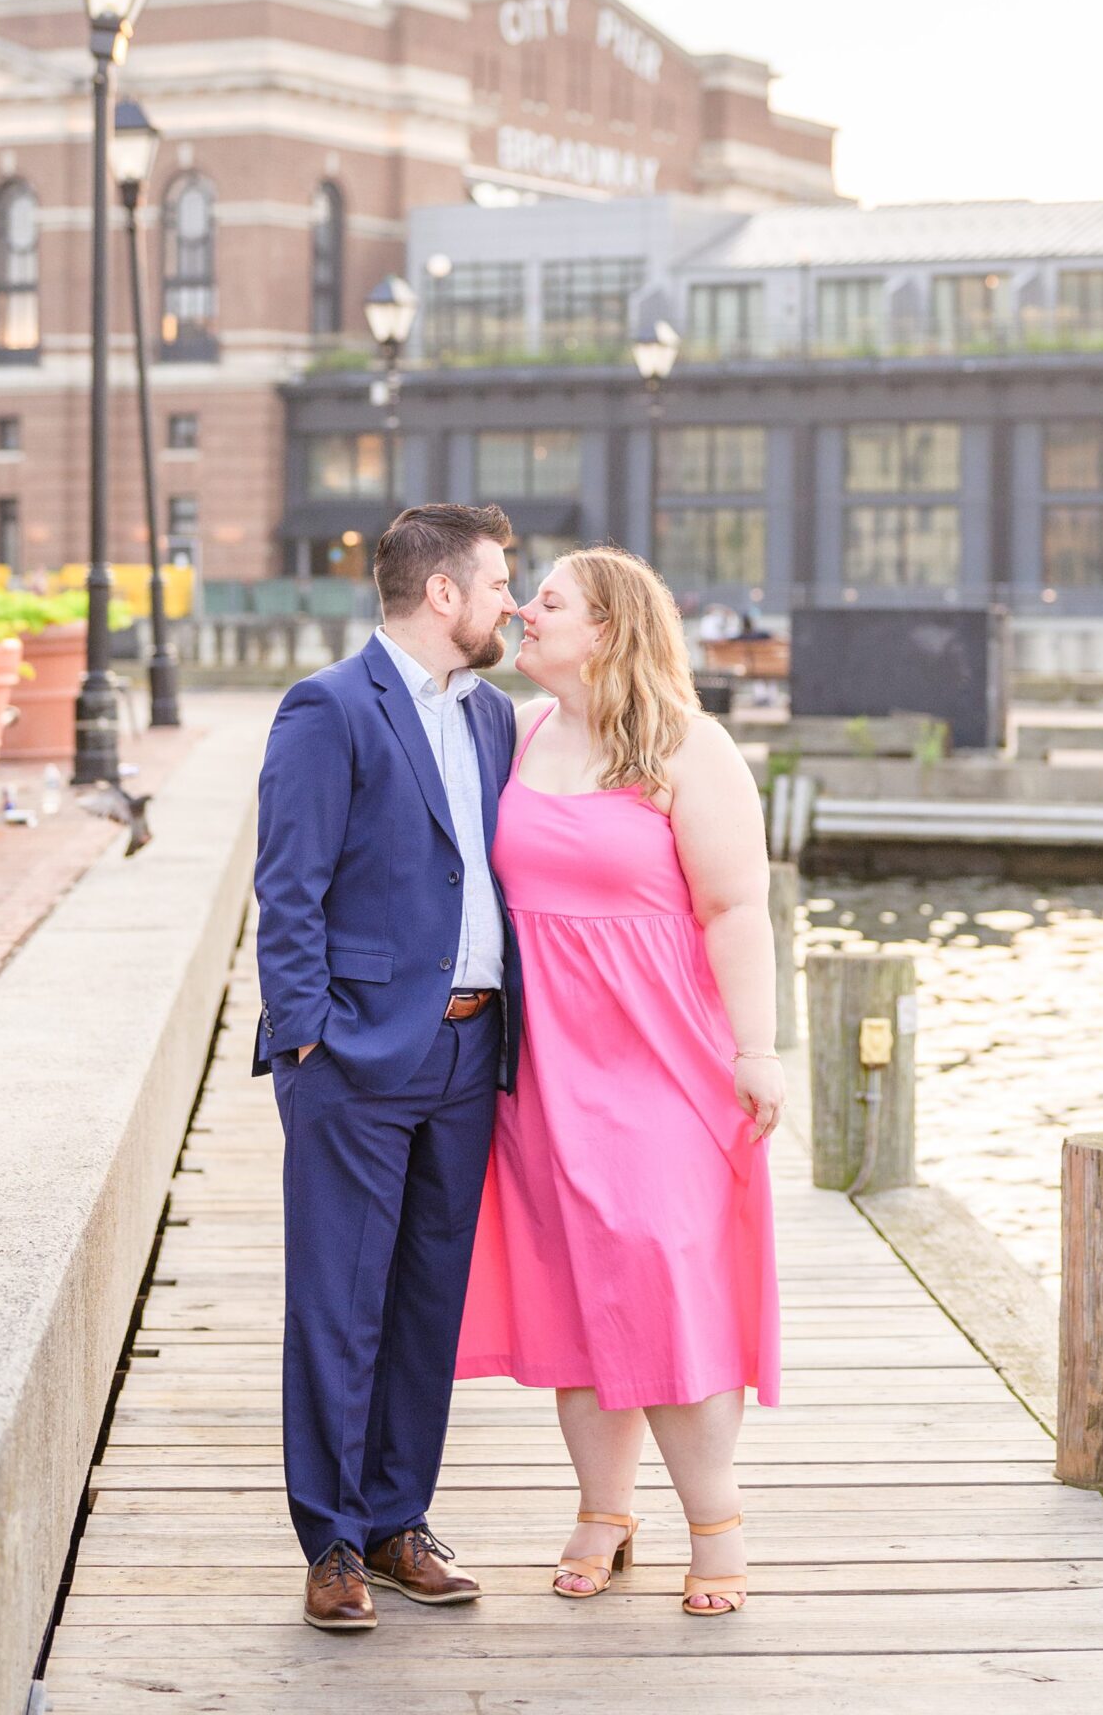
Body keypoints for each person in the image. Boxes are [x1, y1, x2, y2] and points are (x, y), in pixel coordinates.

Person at [457, 544, 783, 1617]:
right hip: (543, 1063)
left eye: (546, 601)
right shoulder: (518, 731)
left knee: (662, 1276)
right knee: (575, 1289)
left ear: (608, 628)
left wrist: (757, 1050)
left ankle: (714, 1517)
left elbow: (736, 910)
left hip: (661, 1055)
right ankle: (603, 1506)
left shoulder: (689, 745)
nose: (523, 612)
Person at [252, 503, 523, 1636]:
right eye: (499, 581)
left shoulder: (498, 717)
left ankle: (396, 1521)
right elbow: (287, 885)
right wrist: (307, 1033)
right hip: (355, 1052)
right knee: (338, 1300)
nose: (512, 599)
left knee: (425, 1300)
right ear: (443, 594)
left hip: (470, 1047)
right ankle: (329, 1540)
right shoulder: (328, 706)